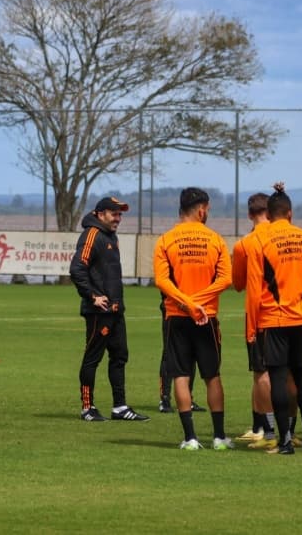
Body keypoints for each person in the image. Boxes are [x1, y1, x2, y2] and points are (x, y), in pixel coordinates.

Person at [151, 188, 234, 450]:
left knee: (181, 376)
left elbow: (162, 280)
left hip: (177, 317)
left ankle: (190, 438)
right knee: (212, 376)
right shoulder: (216, 240)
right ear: (201, 209)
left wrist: (187, 301)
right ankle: (219, 438)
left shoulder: (166, 240)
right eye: (207, 210)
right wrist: (199, 301)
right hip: (206, 317)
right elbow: (226, 280)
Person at [244, 183, 302, 454]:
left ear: (270, 213)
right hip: (300, 319)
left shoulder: (258, 241)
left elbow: (253, 289)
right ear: (289, 213)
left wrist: (251, 327)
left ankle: (285, 440)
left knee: (277, 377)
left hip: (271, 321)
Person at [70, 197, 147, 422]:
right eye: (115, 214)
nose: (118, 219)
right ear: (101, 213)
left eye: (120, 214)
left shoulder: (111, 236)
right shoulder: (91, 235)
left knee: (120, 356)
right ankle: (87, 408)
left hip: (115, 310)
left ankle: (120, 407)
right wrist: (92, 296)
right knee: (93, 358)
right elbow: (77, 269)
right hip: (99, 313)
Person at [231, 193, 280, 446]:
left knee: (261, 373)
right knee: (276, 374)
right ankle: (262, 425)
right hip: (291, 314)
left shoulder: (245, 243)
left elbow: (238, 284)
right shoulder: (287, 237)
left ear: (250, 215)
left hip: (260, 315)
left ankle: (268, 430)